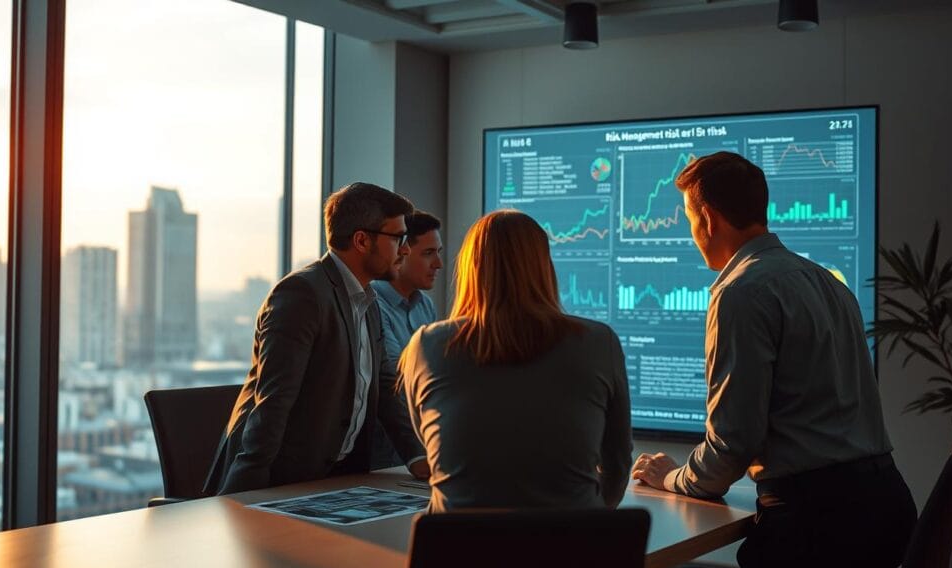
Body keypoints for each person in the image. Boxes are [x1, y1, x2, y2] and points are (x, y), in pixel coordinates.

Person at [630, 152, 915, 568]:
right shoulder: (827, 282)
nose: (691, 233)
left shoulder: (741, 291)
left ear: (707, 218)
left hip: (815, 527)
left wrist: (671, 477)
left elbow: (733, 442)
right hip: (883, 510)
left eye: (689, 218)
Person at [397, 210, 632, 513]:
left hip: (457, 552)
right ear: (543, 266)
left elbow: (432, 446)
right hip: (572, 551)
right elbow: (618, 461)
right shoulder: (600, 342)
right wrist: (589, 519)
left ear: (471, 268)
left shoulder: (427, 345)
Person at [204, 182, 429, 496]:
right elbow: (274, 402)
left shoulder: (368, 299)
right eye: (398, 238)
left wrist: (418, 457)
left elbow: (384, 384)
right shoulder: (302, 294)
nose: (405, 249)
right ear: (362, 240)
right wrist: (243, 499)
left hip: (337, 482)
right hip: (282, 484)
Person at [369, 211, 444, 468]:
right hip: (382, 456)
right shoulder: (372, 304)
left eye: (438, 252)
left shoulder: (426, 306)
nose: (438, 264)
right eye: (428, 253)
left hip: (421, 447)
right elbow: (396, 379)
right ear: (401, 253)